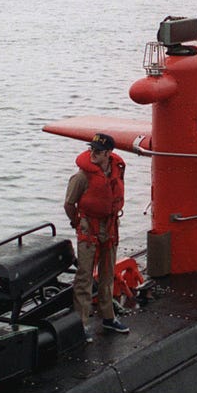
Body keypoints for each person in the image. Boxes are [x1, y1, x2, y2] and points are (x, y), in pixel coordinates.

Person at [63, 133, 130, 335]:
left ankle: (108, 316)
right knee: (84, 276)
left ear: (109, 154)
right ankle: (81, 323)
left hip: (109, 228)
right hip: (88, 228)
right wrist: (77, 223)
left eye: (98, 151)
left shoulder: (117, 171)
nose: (92, 154)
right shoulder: (81, 177)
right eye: (91, 149)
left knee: (107, 274)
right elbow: (69, 204)